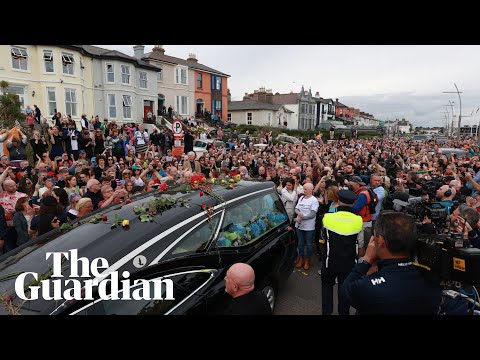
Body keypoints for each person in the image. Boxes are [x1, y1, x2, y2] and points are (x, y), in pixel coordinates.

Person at [340, 212, 442, 315]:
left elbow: (345, 291)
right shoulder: (432, 279)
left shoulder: (368, 288)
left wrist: (366, 260)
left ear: (380, 241)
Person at [320, 190, 363, 315]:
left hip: (330, 261)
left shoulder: (327, 217)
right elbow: (360, 244)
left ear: (338, 201)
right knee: (344, 291)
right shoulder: (358, 220)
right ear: (353, 203)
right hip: (348, 263)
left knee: (327, 287)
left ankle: (326, 312)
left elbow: (323, 237)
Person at [293, 182, 319, 270]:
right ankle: (300, 258)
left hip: (309, 227)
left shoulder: (314, 200)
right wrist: (298, 213)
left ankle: (307, 260)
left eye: (305, 189)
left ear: (311, 190)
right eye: (303, 189)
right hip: (299, 226)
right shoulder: (301, 198)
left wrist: (301, 218)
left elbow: (312, 214)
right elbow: (296, 208)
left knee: (308, 244)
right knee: (300, 243)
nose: (303, 190)